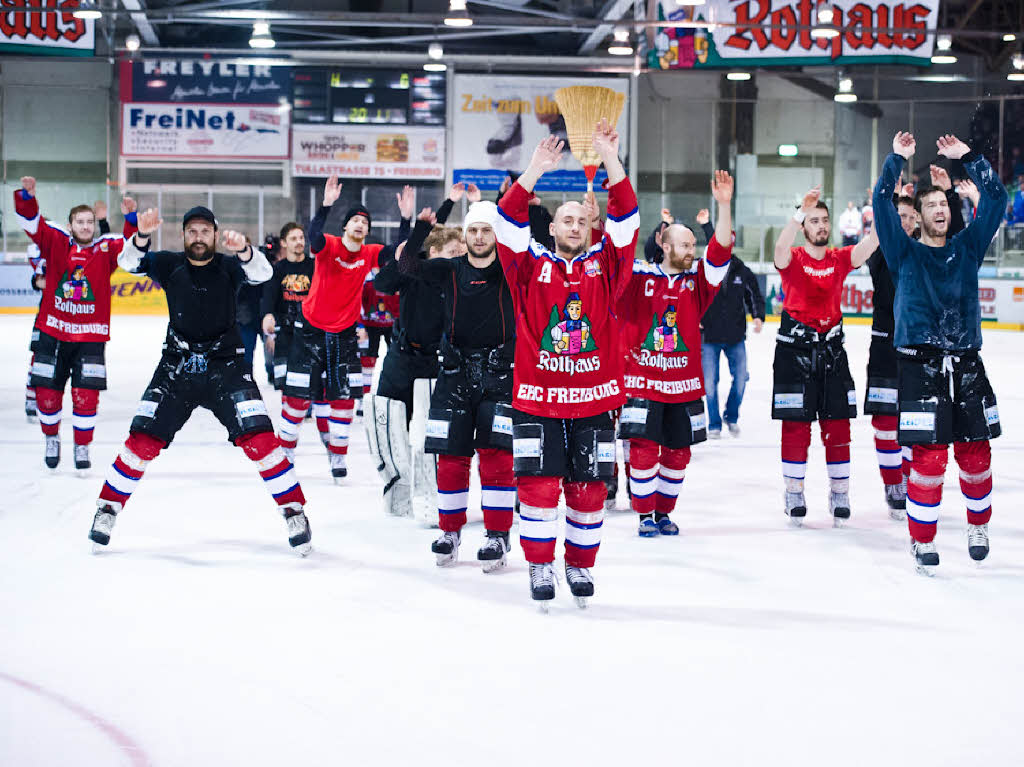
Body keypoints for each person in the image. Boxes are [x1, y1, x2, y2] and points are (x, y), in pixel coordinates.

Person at [90, 205, 312, 554]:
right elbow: (128, 264)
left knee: (260, 440)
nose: (198, 237)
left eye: (204, 231)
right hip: (176, 366)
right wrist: (142, 236)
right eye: (191, 231)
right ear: (183, 235)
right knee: (143, 439)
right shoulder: (168, 263)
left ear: (214, 234)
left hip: (227, 365)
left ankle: (293, 511)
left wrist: (244, 250)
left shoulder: (228, 265)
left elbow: (264, 272)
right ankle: (107, 509)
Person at [495, 120, 638, 607]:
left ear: (591, 227)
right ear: (551, 227)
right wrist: (536, 167)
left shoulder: (609, 268)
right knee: (537, 486)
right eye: (566, 220)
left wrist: (611, 159)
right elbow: (506, 220)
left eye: (582, 220)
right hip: (537, 401)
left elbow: (629, 219)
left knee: (589, 489)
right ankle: (538, 564)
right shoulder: (528, 266)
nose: (575, 225)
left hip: (594, 402)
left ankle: (578, 563)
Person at [873, 132, 1007, 574]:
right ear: (919, 216)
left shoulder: (968, 248)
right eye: (930, 206)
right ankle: (922, 540)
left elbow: (997, 196)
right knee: (928, 460)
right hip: (919, 366)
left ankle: (978, 525)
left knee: (976, 455)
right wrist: (897, 159)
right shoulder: (902, 253)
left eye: (944, 205)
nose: (938, 211)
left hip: (967, 364)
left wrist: (966, 158)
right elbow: (879, 202)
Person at [398, 201, 517, 571]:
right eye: (473, 230)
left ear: (496, 235)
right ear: (464, 235)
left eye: (486, 230)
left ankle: (497, 534)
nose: (479, 237)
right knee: (451, 458)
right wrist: (419, 228)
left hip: (499, 375)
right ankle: (450, 531)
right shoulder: (450, 269)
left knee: (497, 458)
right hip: (454, 375)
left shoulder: (512, 270)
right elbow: (405, 267)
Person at [619, 171, 734, 537]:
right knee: (643, 451)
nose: (692, 251)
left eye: (693, 246)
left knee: (678, 455)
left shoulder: (697, 282)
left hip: (684, 385)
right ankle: (644, 515)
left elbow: (720, 251)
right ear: (665, 246)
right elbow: (614, 254)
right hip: (643, 381)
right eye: (685, 245)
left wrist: (724, 205)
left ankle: (664, 511)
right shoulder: (638, 277)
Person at [13, 177, 137, 472]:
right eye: (79, 222)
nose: (85, 226)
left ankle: (82, 445)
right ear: (70, 225)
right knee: (47, 393)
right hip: (52, 332)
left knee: (86, 397)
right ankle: (51, 438)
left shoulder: (106, 248)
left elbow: (133, 250)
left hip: (90, 338)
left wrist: (132, 218)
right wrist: (28, 198)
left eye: (89, 222)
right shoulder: (55, 240)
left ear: (94, 225)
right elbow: (32, 225)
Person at [864, 165, 966, 519]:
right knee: (884, 420)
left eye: (910, 216)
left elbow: (957, 239)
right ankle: (893, 482)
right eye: (900, 216)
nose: (905, 222)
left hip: (921, 347)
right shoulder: (884, 250)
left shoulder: (924, 251)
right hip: (884, 343)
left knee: (914, 419)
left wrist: (947, 195)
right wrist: (888, 199)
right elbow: (882, 226)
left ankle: (910, 479)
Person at [771, 187, 878, 525]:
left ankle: (840, 492)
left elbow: (869, 245)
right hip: (794, 352)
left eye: (824, 221)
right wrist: (798, 212)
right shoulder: (794, 258)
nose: (820, 226)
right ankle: (793, 491)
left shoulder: (839, 258)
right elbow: (779, 251)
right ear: (804, 227)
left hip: (832, 351)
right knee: (796, 426)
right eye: (813, 221)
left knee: (838, 425)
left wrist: (883, 212)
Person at [280, 175, 383, 482]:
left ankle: (338, 454)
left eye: (365, 221)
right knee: (297, 398)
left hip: (344, 335)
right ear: (344, 226)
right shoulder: (328, 246)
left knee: (343, 399)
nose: (360, 224)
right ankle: (285, 450)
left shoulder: (369, 253)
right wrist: (326, 205)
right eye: (354, 220)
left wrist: (407, 222)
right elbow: (313, 236)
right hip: (309, 332)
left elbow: (400, 255)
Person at [366, 186, 459, 523]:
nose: (458, 257)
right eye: (452, 251)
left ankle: (429, 493)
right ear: (432, 252)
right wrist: (417, 227)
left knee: (428, 434)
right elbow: (384, 283)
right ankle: (397, 488)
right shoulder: (413, 271)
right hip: (402, 358)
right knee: (389, 426)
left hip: (437, 365)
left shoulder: (456, 278)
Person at [700, 231, 764, 438]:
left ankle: (731, 415)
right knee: (709, 383)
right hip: (709, 336)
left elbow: (754, 294)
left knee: (741, 379)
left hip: (735, 336)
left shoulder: (741, 270)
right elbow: (693, 296)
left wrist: (758, 316)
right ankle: (714, 424)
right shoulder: (704, 268)